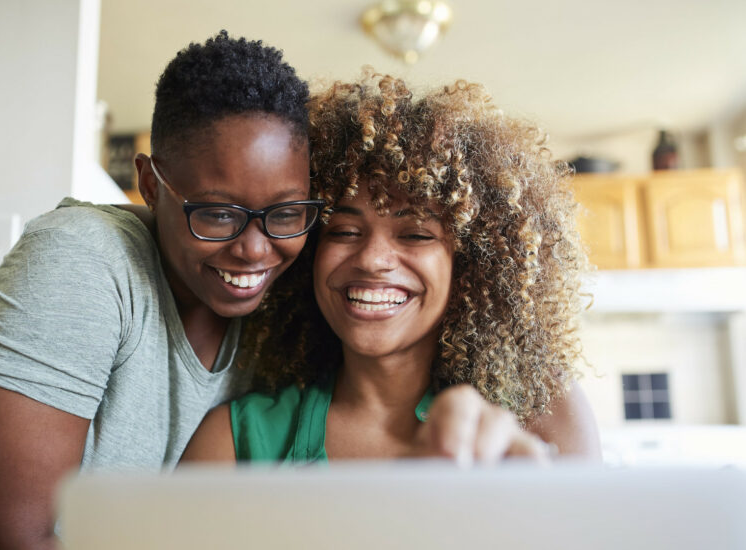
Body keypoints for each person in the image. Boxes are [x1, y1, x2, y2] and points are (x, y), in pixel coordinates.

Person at [0, 31, 320, 549]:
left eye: (285, 213)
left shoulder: (282, 311)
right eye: (217, 213)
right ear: (151, 184)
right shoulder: (83, 257)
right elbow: (9, 537)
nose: (254, 250)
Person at [182, 72, 601, 464]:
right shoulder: (234, 443)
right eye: (344, 230)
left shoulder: (543, 414)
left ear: (472, 262)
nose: (370, 259)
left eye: (416, 234)